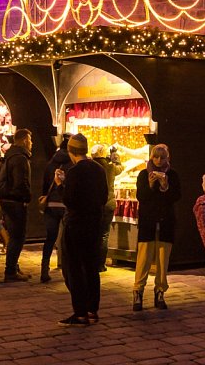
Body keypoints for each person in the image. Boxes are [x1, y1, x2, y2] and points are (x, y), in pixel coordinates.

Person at [59, 133, 108, 326]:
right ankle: (92, 310)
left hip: (76, 223)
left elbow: (69, 200)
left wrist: (60, 185)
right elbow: (103, 197)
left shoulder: (74, 171)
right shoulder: (99, 169)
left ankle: (80, 313)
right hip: (94, 223)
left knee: (74, 269)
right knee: (91, 267)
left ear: (71, 151)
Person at [132, 143, 181, 312]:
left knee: (162, 260)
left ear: (168, 159)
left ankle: (160, 291)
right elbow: (141, 196)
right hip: (148, 222)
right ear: (151, 157)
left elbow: (176, 196)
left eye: (163, 157)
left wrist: (165, 186)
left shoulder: (172, 175)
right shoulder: (143, 174)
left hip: (166, 223)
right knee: (144, 259)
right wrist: (151, 185)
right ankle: (138, 291)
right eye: (156, 157)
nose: (159, 160)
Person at [0, 129, 33, 283]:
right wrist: (27, 197)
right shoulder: (20, 158)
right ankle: (10, 271)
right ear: (25, 140)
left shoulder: (10, 155)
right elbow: (21, 182)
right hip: (15, 202)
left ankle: (13, 266)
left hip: (7, 200)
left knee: (15, 235)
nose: (32, 144)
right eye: (30, 141)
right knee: (17, 237)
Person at [39, 135, 71, 283]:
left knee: (50, 238)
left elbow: (45, 183)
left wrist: (45, 196)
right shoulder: (73, 163)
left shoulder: (51, 163)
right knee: (66, 239)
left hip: (51, 204)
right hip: (66, 204)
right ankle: (67, 269)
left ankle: (44, 269)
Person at [90, 143, 123, 272]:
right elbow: (120, 168)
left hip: (94, 204)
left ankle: (92, 261)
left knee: (94, 233)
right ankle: (101, 264)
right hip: (108, 204)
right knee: (104, 235)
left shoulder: (90, 167)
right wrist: (116, 157)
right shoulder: (109, 167)